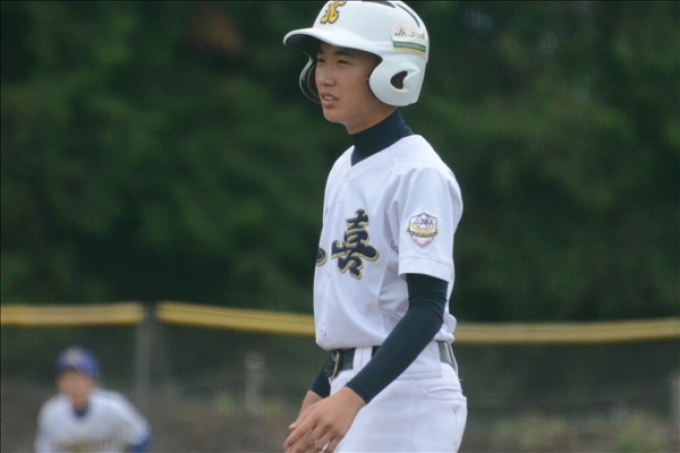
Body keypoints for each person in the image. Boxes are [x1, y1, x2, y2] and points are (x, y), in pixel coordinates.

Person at [282, 1, 467, 452]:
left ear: (394, 70)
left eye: (343, 61)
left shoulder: (419, 172)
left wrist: (351, 398)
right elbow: (363, 311)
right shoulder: (344, 167)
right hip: (357, 383)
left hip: (405, 391)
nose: (324, 76)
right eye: (320, 60)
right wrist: (322, 388)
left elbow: (426, 308)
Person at [35, 346, 152, 453]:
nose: (71, 384)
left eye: (77, 378)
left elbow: (141, 435)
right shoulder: (51, 413)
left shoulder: (113, 407)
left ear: (92, 380)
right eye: (65, 378)